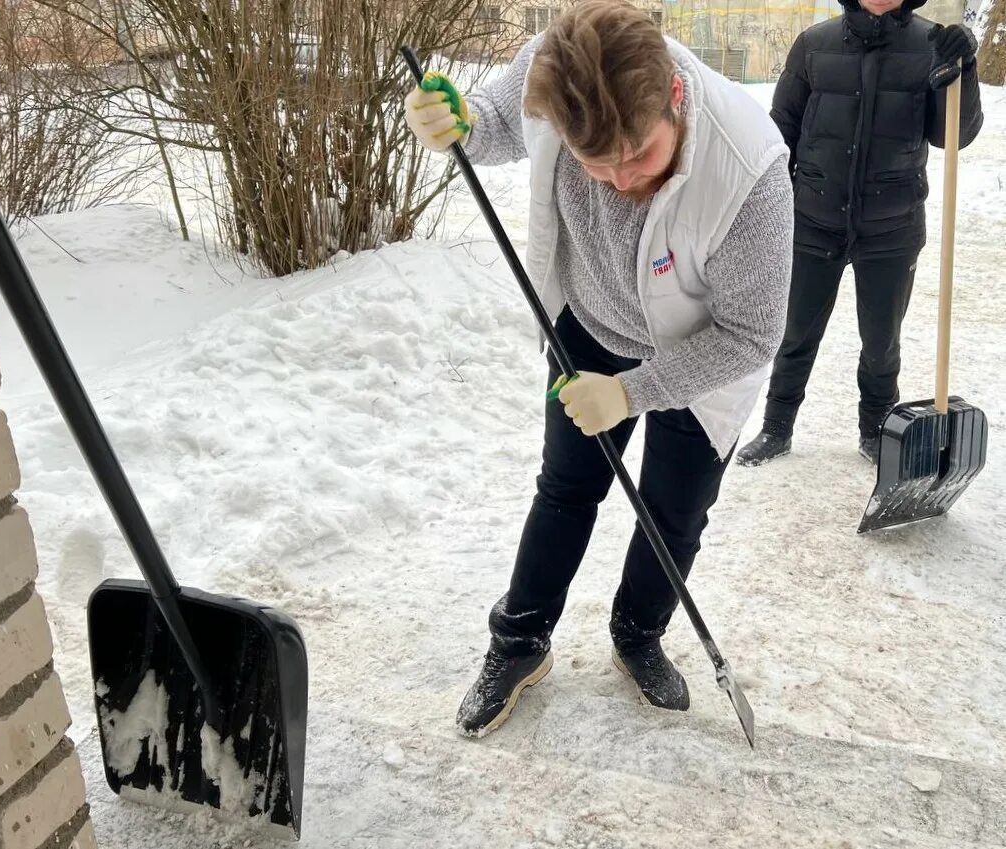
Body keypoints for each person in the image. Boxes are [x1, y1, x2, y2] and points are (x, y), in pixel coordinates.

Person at [404, 0, 794, 737]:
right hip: (586, 324)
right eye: (594, 162)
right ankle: (517, 640)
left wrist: (631, 392)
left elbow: (749, 335)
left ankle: (637, 631)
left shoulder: (750, 170)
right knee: (565, 485)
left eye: (638, 155)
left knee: (673, 511)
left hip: (695, 354)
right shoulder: (558, 67)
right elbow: (494, 121)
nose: (616, 181)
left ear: (673, 98)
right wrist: (457, 122)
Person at [736, 0, 983, 467]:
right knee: (795, 332)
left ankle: (876, 431)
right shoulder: (814, 43)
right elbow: (781, 131)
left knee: (882, 340)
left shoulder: (931, 45)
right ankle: (776, 427)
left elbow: (955, 135)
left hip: (892, 225)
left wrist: (964, 70)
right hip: (814, 218)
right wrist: (771, 205)